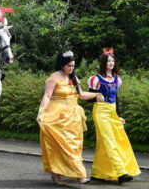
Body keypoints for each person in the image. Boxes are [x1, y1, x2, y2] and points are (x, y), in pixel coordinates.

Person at [36, 51, 103, 185]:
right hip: (57, 117)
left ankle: (75, 173)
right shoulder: (53, 78)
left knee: (75, 147)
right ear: (62, 65)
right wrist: (41, 113)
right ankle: (73, 175)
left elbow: (82, 94)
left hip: (74, 118)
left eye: (73, 66)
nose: (71, 68)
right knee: (62, 147)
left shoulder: (74, 78)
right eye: (69, 66)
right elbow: (47, 96)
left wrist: (96, 95)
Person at [87, 48, 141, 184]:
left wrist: (118, 115)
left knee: (115, 141)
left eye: (112, 61)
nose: (111, 63)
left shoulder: (117, 79)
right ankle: (121, 172)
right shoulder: (96, 79)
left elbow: (116, 99)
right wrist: (95, 98)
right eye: (108, 61)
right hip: (100, 111)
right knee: (110, 141)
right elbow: (87, 96)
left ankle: (98, 173)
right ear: (103, 63)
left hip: (112, 112)